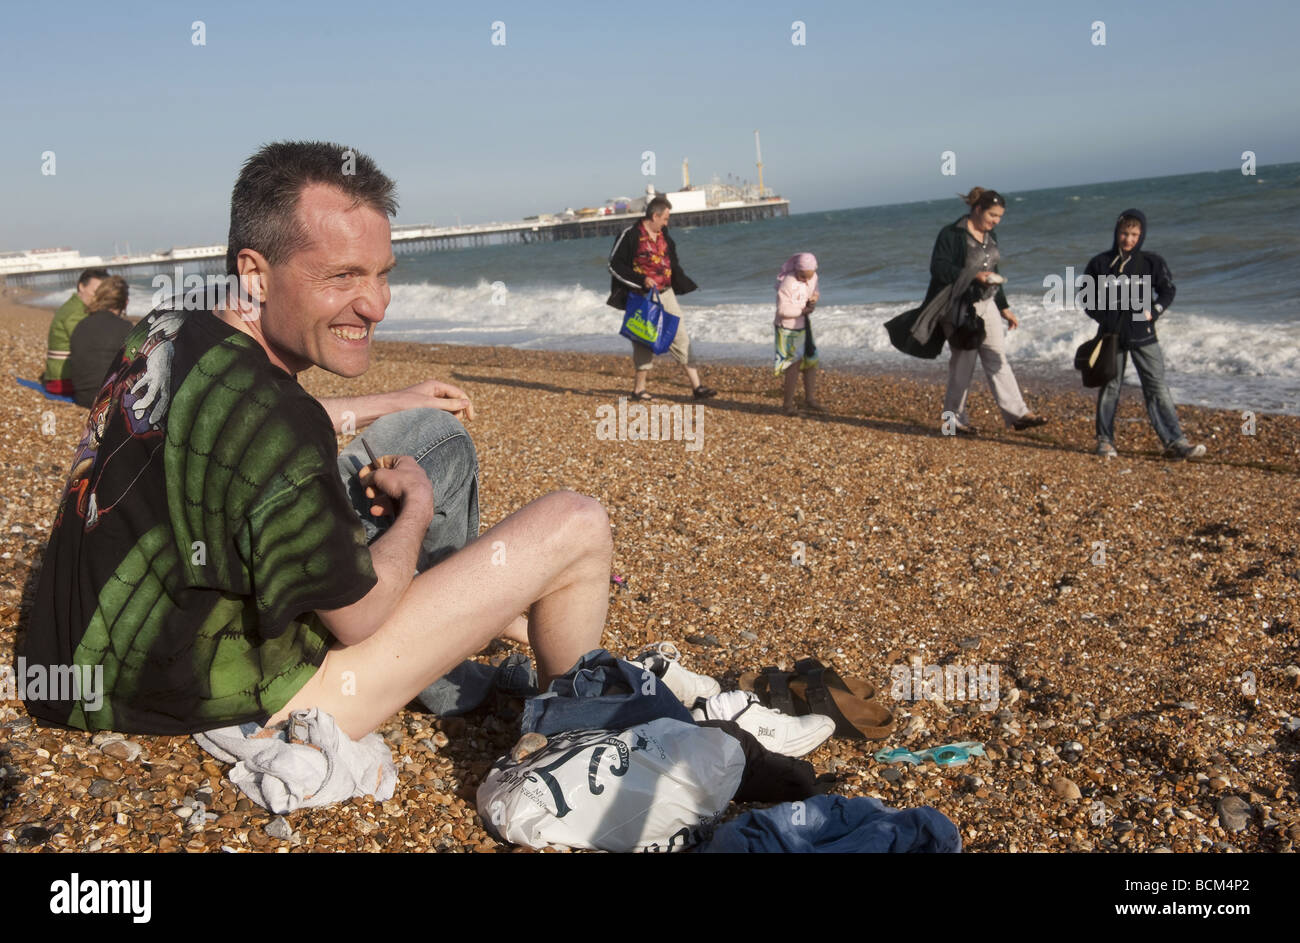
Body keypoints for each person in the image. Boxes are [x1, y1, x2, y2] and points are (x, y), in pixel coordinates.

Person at [20, 141, 613, 740]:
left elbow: (236, 428)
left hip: (84, 660)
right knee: (577, 523)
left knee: (435, 437)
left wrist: (395, 400)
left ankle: (452, 653)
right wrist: (417, 511)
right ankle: (572, 737)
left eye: (382, 274)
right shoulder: (276, 418)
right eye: (342, 276)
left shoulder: (171, 326)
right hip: (211, 691)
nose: (376, 304)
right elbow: (357, 620)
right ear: (255, 274)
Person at [1082, 209, 1205, 459]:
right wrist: (1106, 318)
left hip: (1143, 332)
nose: (1129, 239)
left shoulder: (1151, 262)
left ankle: (1175, 442)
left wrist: (1154, 312)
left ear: (1142, 235)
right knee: (1110, 387)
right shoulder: (1100, 263)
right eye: (1124, 233)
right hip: (1111, 336)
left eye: (1135, 234)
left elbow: (1168, 291)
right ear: (1117, 232)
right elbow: (1086, 298)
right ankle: (1105, 441)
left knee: (1157, 387)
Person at [928, 188, 1046, 435]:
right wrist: (973, 276)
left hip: (987, 304)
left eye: (1000, 216)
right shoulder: (951, 234)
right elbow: (939, 268)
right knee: (962, 365)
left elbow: (995, 272)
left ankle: (1018, 414)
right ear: (977, 209)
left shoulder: (991, 237)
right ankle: (952, 421)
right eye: (993, 215)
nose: (996, 221)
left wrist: (1004, 307)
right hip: (957, 306)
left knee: (997, 358)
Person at [607, 196, 716, 401]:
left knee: (679, 334)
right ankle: (639, 390)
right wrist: (641, 280)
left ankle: (697, 387)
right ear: (654, 216)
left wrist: (683, 281)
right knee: (643, 339)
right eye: (665, 219)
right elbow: (614, 266)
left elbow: (672, 261)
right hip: (641, 296)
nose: (667, 223)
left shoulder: (663, 234)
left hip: (666, 292)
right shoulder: (630, 235)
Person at [65, 276, 133, 408]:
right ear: (125, 302)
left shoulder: (80, 325)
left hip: (82, 398)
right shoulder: (126, 328)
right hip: (111, 402)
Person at [43, 267, 109, 395]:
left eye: (103, 294)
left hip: (62, 376)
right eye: (95, 292)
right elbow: (90, 346)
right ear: (81, 287)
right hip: (63, 380)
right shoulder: (75, 313)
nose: (98, 298)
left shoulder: (74, 306)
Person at [773, 252, 823, 416]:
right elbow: (782, 310)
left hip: (804, 324)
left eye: (809, 276)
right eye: (802, 276)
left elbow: (814, 290)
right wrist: (802, 311)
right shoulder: (788, 282)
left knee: (811, 361)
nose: (806, 280)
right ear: (796, 270)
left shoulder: (812, 276)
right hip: (787, 328)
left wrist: (814, 297)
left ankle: (810, 399)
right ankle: (787, 406)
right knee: (793, 366)